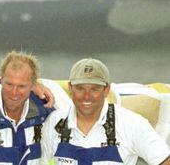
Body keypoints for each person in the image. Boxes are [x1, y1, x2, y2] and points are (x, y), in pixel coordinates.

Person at [41, 58, 170, 164]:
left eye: (94, 89)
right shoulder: (54, 123)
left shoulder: (131, 123)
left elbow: (165, 160)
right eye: (80, 88)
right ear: (70, 88)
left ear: (107, 90)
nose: (87, 96)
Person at [0, 51, 53, 165]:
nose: (14, 93)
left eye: (21, 86)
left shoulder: (46, 112)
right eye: (9, 84)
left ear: (33, 85)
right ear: (1, 80)